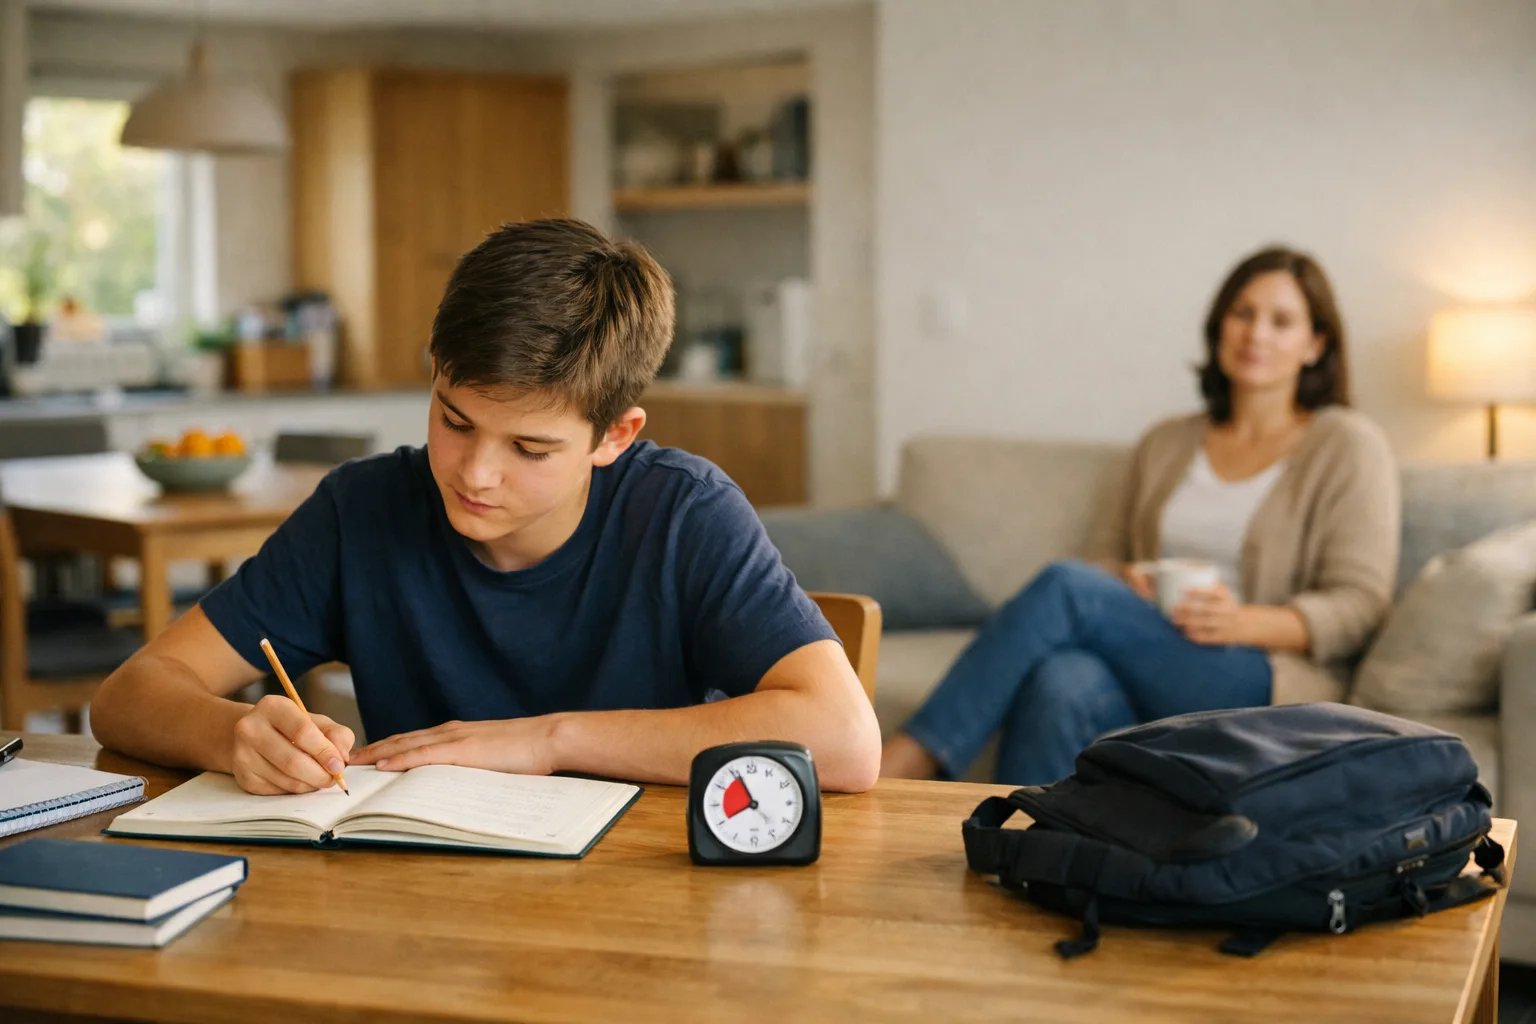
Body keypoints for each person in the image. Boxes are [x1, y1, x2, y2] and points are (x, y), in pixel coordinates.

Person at [91, 219, 881, 794]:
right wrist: (233, 734)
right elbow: (129, 694)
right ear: (436, 371)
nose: (475, 473)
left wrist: (547, 741)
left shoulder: (683, 515)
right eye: (453, 420)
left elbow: (846, 741)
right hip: (425, 906)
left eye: (530, 450)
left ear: (615, 436)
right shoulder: (361, 511)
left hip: (645, 904)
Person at [880, 245, 1400, 785]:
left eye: (1282, 321)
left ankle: (911, 759)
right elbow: (1104, 556)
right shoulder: (1166, 442)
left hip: (1256, 675)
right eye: (1242, 313)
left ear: (1316, 344)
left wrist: (1239, 622)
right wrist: (1123, 580)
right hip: (1151, 650)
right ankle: (1027, 854)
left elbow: (1360, 604)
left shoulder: (1347, 445)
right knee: (1062, 680)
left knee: (1065, 584)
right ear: (1219, 323)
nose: (1256, 334)